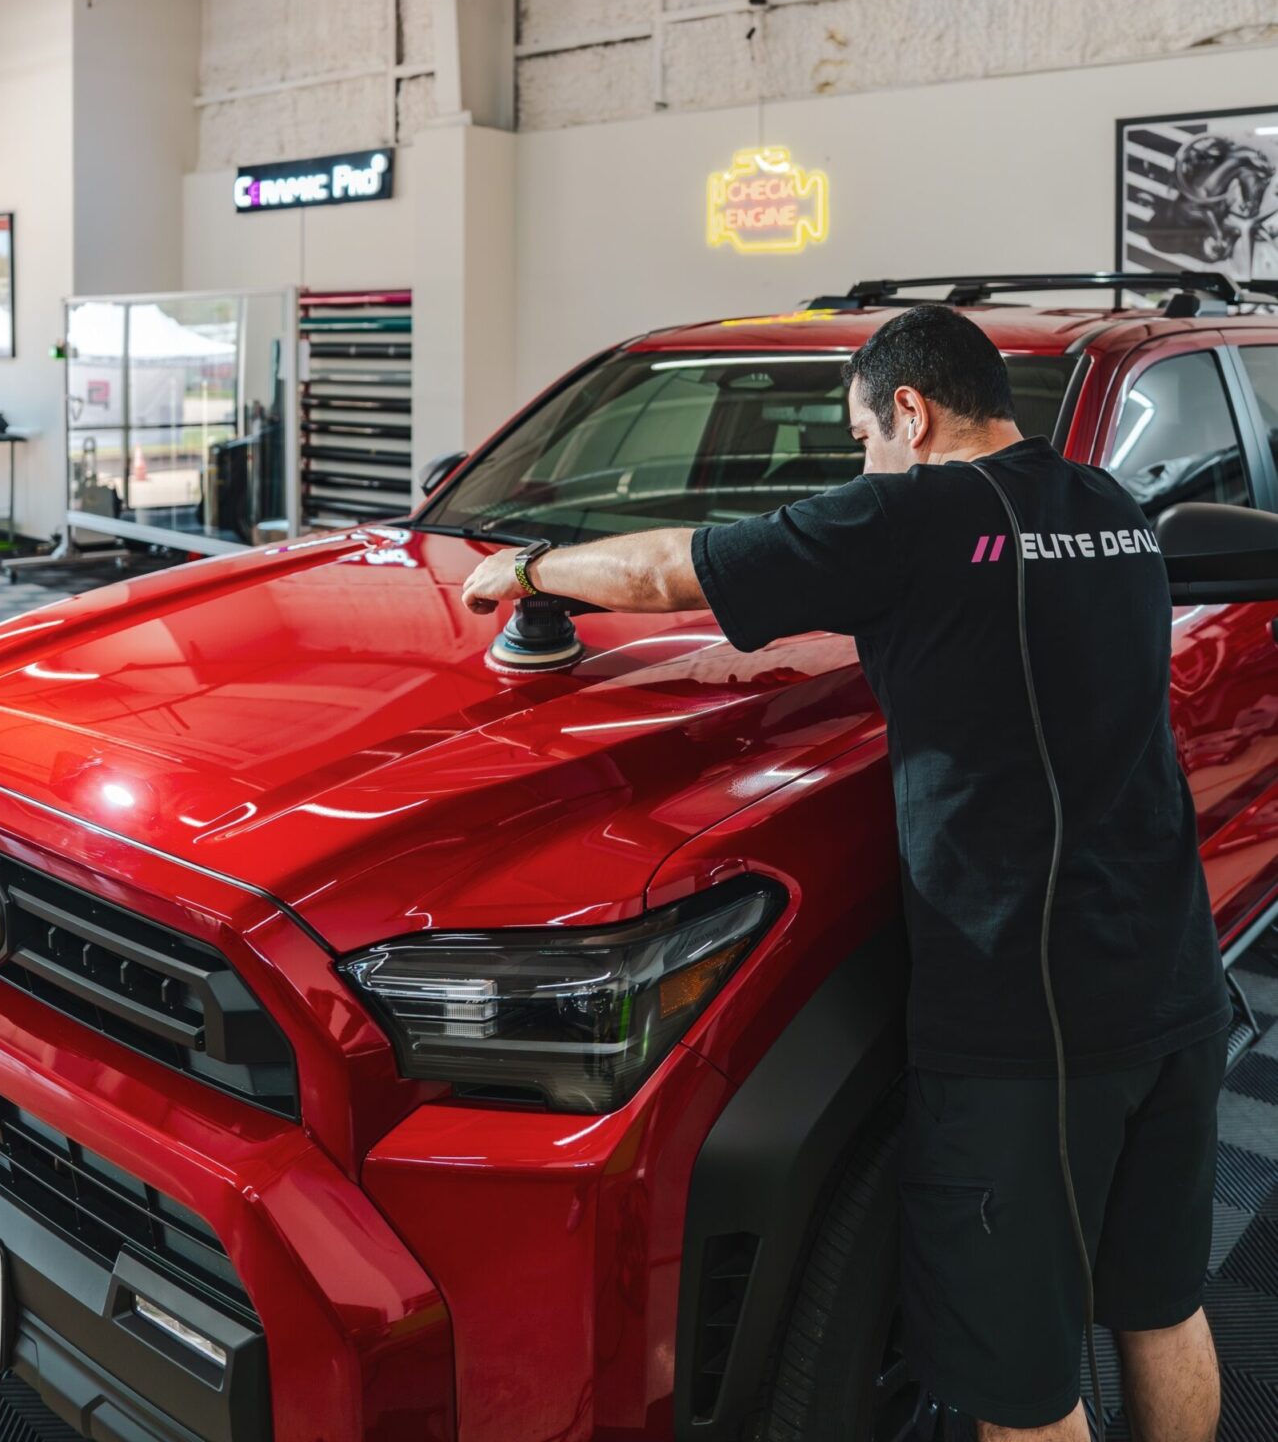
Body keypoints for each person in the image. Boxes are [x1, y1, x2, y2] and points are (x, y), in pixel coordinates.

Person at [461, 303, 1230, 1442]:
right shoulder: (1108, 506)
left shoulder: (912, 515)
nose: (863, 461)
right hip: (1173, 981)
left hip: (1027, 1022)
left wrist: (520, 566)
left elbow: (670, 569)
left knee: (1018, 1382)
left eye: (862, 436)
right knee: (1160, 1303)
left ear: (909, 412)